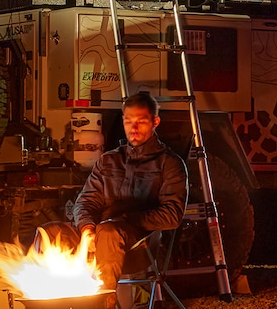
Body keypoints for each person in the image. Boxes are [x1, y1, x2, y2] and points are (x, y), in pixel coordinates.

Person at [72, 88, 257, 292]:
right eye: (128, 121)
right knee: (54, 233)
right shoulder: (108, 161)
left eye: (141, 121)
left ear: (155, 122)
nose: (133, 128)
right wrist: (87, 227)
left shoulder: (169, 164)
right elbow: (85, 201)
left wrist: (128, 218)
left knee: (108, 232)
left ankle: (104, 305)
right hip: (99, 233)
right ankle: (65, 306)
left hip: (140, 242)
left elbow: (172, 215)